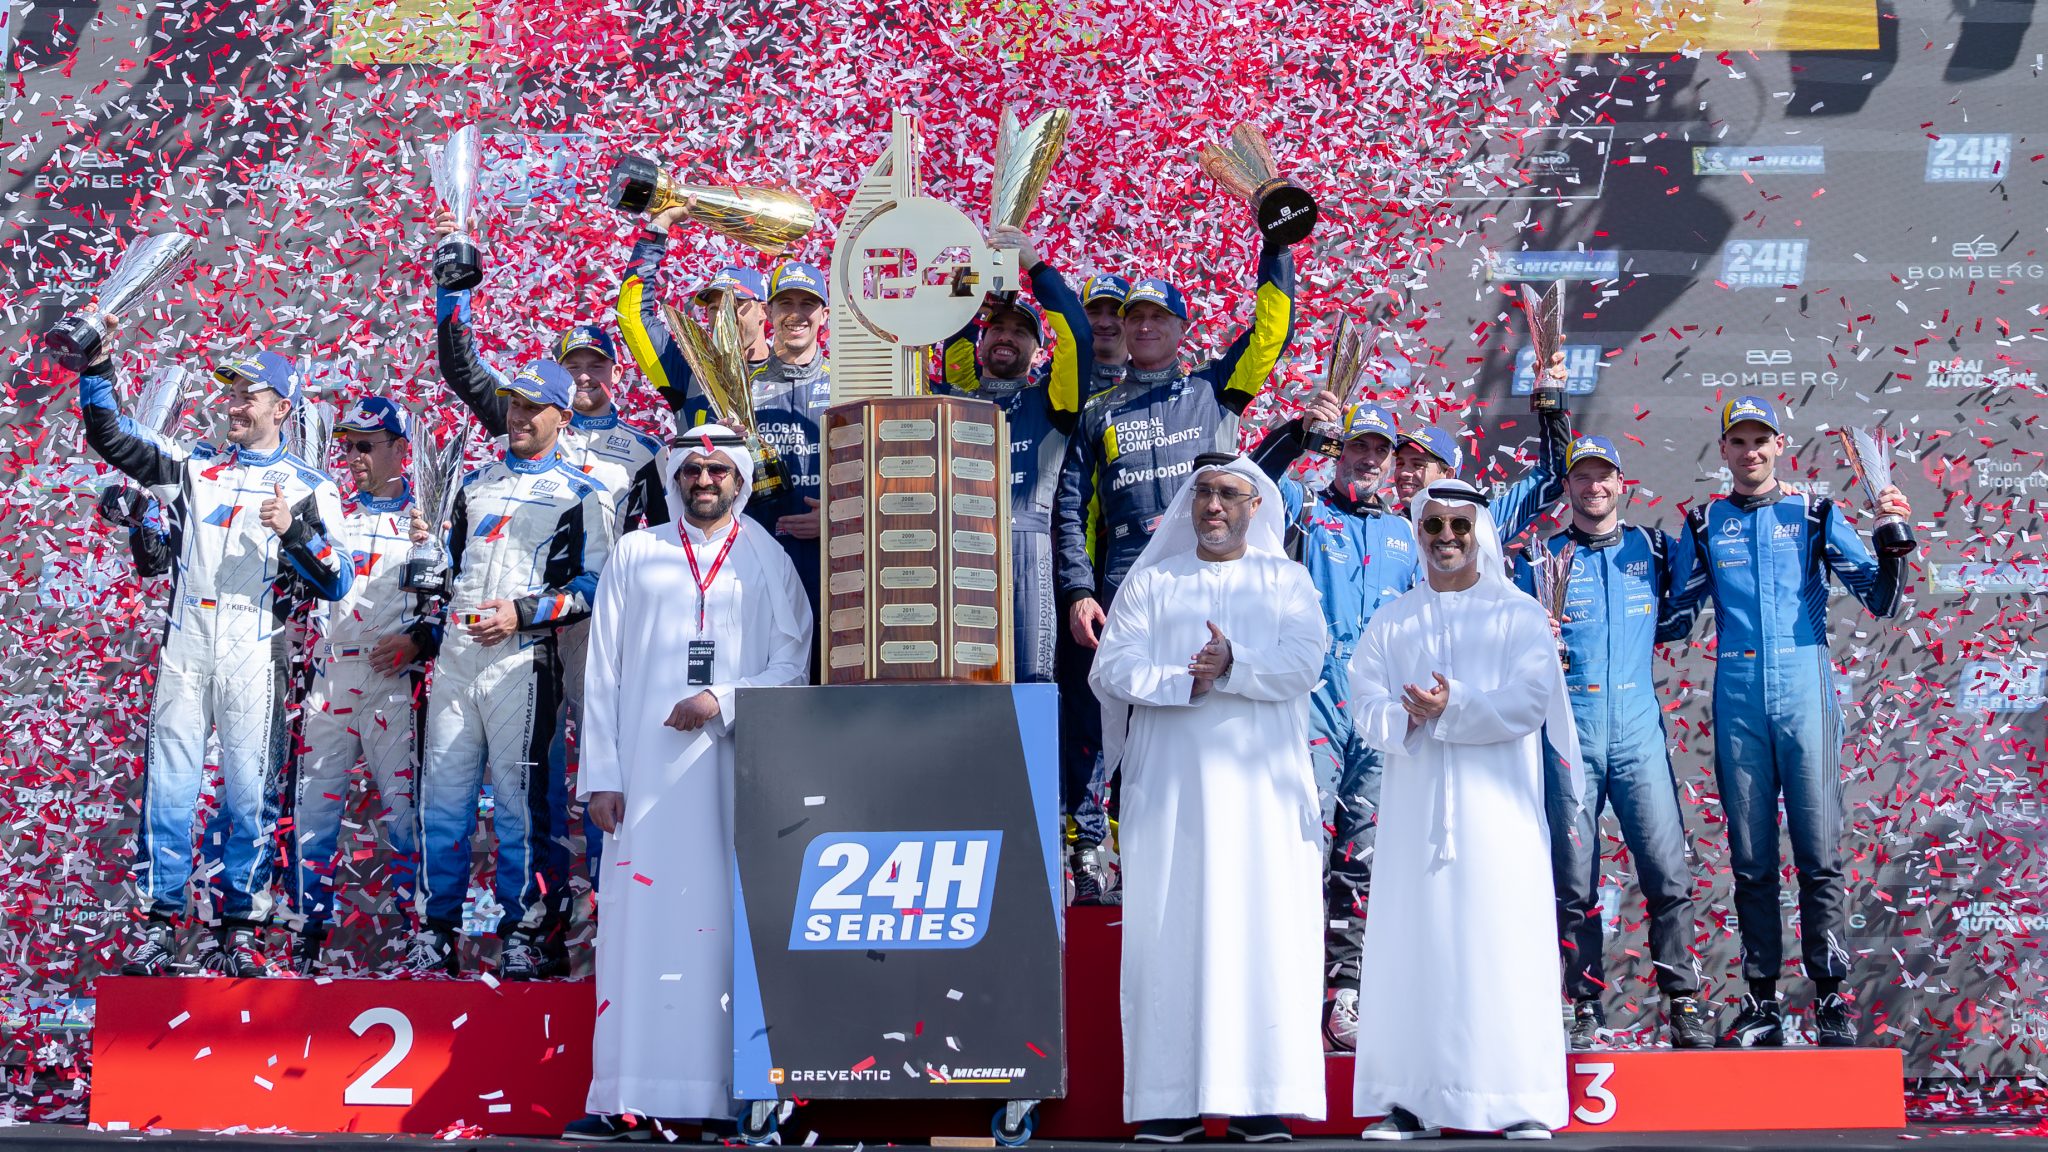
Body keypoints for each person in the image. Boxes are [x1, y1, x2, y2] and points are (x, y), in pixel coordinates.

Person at [563, 425, 812, 1141]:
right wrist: (602, 777)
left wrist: (721, 701)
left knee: (722, 934)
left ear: (738, 478)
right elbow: (602, 674)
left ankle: (718, 1101)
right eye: (692, 471)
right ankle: (627, 1096)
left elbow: (791, 668)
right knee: (639, 933)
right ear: (673, 478)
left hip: (734, 782)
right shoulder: (636, 555)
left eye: (717, 471)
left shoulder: (766, 561)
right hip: (642, 784)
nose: (704, 482)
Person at [78, 343, 353, 978]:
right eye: (228, 392)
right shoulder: (193, 466)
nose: (231, 404)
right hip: (186, 639)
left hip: (256, 646)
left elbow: (337, 583)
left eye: (245, 395)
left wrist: (295, 531)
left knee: (250, 792)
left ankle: (241, 929)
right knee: (170, 785)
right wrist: (96, 365)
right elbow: (114, 437)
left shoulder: (312, 488)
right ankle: (155, 925)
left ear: (281, 408)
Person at [1090, 454, 1327, 1143]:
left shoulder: (1286, 581)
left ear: (1257, 507)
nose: (1214, 506)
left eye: (1229, 494)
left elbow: (1305, 662)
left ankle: (1260, 1102)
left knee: (1261, 934)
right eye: (1203, 494)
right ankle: (1170, 1101)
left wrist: (1235, 668)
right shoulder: (1154, 581)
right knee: (1171, 931)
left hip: (1261, 800)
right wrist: (1183, 681)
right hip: (1171, 794)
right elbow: (1115, 667)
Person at [1055, 231, 1299, 899]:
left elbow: (1271, 333)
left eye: (1158, 317)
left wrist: (1274, 247)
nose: (1144, 327)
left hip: (1205, 572)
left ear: (1181, 328)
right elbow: (1071, 509)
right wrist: (1078, 589)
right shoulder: (1099, 411)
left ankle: (1210, 860)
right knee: (1120, 721)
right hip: (1125, 578)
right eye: (1134, 318)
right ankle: (1117, 859)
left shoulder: (1213, 390)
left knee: (1202, 712)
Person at [1669, 396, 1911, 1048]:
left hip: (1805, 689)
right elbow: (1671, 617)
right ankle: (1761, 1002)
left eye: (1760, 440)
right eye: (1738, 442)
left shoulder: (1813, 512)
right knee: (1751, 859)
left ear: (1781, 445)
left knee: (1818, 853)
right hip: (1738, 696)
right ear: (1723, 450)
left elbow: (1882, 599)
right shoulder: (1702, 523)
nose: (1749, 452)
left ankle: (1830, 998)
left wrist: (1893, 543)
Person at [1348, 480, 1579, 1141]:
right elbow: (1364, 698)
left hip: (1497, 819)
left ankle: (1521, 1099)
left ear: (1477, 531)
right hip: (1418, 817)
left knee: (1502, 945)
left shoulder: (1518, 615)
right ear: (1418, 534)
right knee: (1415, 949)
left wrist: (1457, 705)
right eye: (1434, 527)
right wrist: (1406, 718)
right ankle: (1412, 1102)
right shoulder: (1392, 620)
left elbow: (1529, 702)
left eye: (1458, 526)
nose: (1446, 538)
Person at [404, 362, 615, 979]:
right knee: (442, 799)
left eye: (533, 407)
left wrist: (523, 614)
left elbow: (596, 584)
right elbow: (447, 569)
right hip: (457, 656)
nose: (518, 417)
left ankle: (527, 929)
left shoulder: (584, 493)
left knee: (524, 807)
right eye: (512, 405)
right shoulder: (472, 485)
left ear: (563, 419)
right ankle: (435, 931)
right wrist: (428, 558)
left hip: (525, 660)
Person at [1511, 435, 1712, 1050]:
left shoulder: (1651, 548)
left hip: (1637, 730)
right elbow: (1512, 647)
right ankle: (1582, 1006)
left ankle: (1683, 1001)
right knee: (1573, 879)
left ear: (1620, 483)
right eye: (1581, 477)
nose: (1593, 487)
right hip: (1570, 732)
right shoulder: (1540, 560)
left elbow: (1681, 613)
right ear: (1567, 487)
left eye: (1604, 477)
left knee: (1666, 871)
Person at [1248, 392, 1415, 1051]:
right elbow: (1249, 477)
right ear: (1339, 453)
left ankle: (1346, 994)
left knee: (1362, 857)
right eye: (1358, 447)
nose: (1368, 459)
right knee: (1298, 848)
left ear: (1393, 462)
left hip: (1377, 712)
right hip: (1312, 704)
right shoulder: (1307, 512)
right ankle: (1285, 992)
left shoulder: (1411, 531)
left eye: (1380, 450)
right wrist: (1300, 434)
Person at [615, 206, 832, 610]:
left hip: (815, 558)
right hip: (727, 564)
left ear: (763, 312)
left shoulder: (813, 378)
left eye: (735, 305)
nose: (722, 316)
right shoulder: (692, 376)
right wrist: (657, 230)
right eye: (712, 307)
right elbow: (633, 318)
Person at [288, 397, 438, 975]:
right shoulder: (331, 511)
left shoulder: (432, 515)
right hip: (330, 677)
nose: (353, 456)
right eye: (347, 445)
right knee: (311, 818)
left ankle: (418, 936)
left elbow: (451, 605)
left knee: (405, 816)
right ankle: (304, 940)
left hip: (393, 684)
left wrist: (419, 642)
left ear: (401, 449)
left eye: (366, 445)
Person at [934, 225, 1094, 684]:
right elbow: (951, 333)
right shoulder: (956, 396)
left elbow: (1079, 339)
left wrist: (1034, 267)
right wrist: (973, 280)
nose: (1005, 336)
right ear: (980, 345)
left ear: (1039, 350)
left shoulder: (1054, 401)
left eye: (1020, 331)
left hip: (1027, 550)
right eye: (996, 329)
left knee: (1030, 695)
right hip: (956, 548)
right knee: (957, 691)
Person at [1389, 353, 1572, 544]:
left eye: (1417, 464)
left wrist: (1550, 396)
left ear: (1448, 475)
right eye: (1400, 463)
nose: (1404, 473)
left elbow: (1553, 475)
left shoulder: (1480, 524)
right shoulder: (1384, 528)